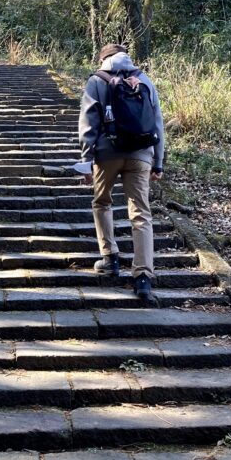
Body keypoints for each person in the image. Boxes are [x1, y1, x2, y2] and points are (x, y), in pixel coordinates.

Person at [78, 43, 165, 306]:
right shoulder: (144, 79)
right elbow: (157, 121)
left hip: (107, 152)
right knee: (141, 212)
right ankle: (143, 278)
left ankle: (110, 258)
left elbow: (88, 121)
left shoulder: (96, 80)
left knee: (102, 201)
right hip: (141, 153)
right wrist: (158, 162)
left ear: (103, 59)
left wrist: (86, 160)